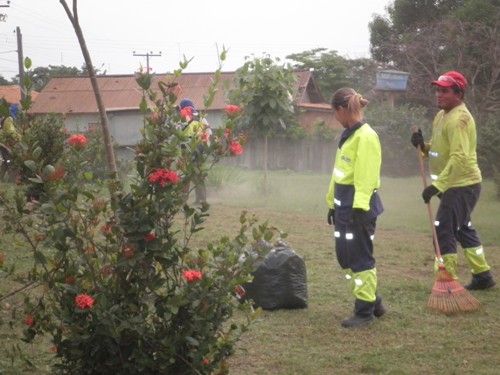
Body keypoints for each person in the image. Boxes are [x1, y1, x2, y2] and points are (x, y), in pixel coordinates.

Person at [411, 71, 496, 290]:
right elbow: (440, 150)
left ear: (459, 93)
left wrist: (437, 186)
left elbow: (460, 157)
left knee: (443, 229)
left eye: (445, 91)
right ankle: (483, 276)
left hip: (462, 186)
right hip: (451, 186)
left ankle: (448, 282)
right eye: (438, 90)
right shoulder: (442, 115)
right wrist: (423, 147)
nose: (438, 94)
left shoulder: (460, 119)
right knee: (462, 228)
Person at [325, 88, 386, 328]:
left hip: (357, 210)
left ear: (341, 110)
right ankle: (373, 300)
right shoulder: (349, 135)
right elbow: (339, 174)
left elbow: (366, 176)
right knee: (345, 257)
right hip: (343, 208)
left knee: (360, 258)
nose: (335, 118)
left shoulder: (366, 136)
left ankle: (364, 312)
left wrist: (360, 208)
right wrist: (332, 204)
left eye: (334, 113)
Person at [178, 98, 211, 205]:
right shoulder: (202, 119)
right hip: (200, 150)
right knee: (198, 176)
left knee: (185, 176)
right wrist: (205, 149)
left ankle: (183, 200)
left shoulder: (182, 118)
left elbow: (177, 135)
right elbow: (208, 134)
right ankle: (201, 200)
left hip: (186, 151)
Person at [0, 103, 21, 181]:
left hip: (3, 142)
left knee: (6, 162)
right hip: (7, 144)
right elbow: (11, 132)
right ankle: (11, 181)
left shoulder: (6, 118)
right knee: (14, 162)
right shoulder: (9, 119)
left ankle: (1, 179)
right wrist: (20, 138)